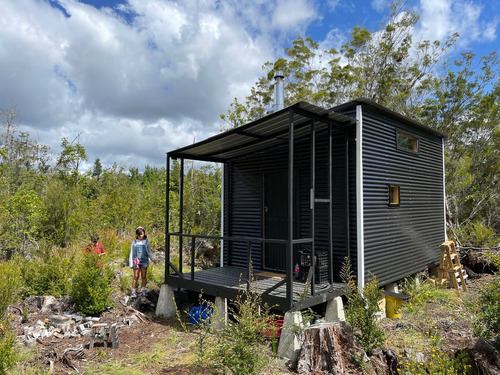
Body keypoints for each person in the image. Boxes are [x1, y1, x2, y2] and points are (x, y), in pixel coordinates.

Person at [129, 226, 157, 298]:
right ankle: (133, 291)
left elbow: (149, 252)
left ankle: (144, 289)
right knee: (136, 276)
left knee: (143, 276)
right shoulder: (134, 242)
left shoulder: (147, 242)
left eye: (142, 234)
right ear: (137, 235)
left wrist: (153, 259)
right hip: (136, 261)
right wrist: (131, 263)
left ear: (144, 233)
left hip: (144, 260)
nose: (141, 236)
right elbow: (131, 253)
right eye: (139, 234)